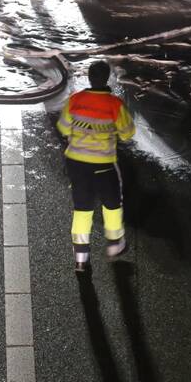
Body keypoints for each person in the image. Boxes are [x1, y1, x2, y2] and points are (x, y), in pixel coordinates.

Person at [56, 60, 136, 273]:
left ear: (89, 78)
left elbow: (63, 128)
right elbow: (128, 134)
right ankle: (115, 245)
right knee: (112, 205)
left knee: (82, 209)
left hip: (76, 164)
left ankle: (81, 258)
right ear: (107, 78)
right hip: (103, 165)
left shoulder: (75, 100)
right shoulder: (115, 104)